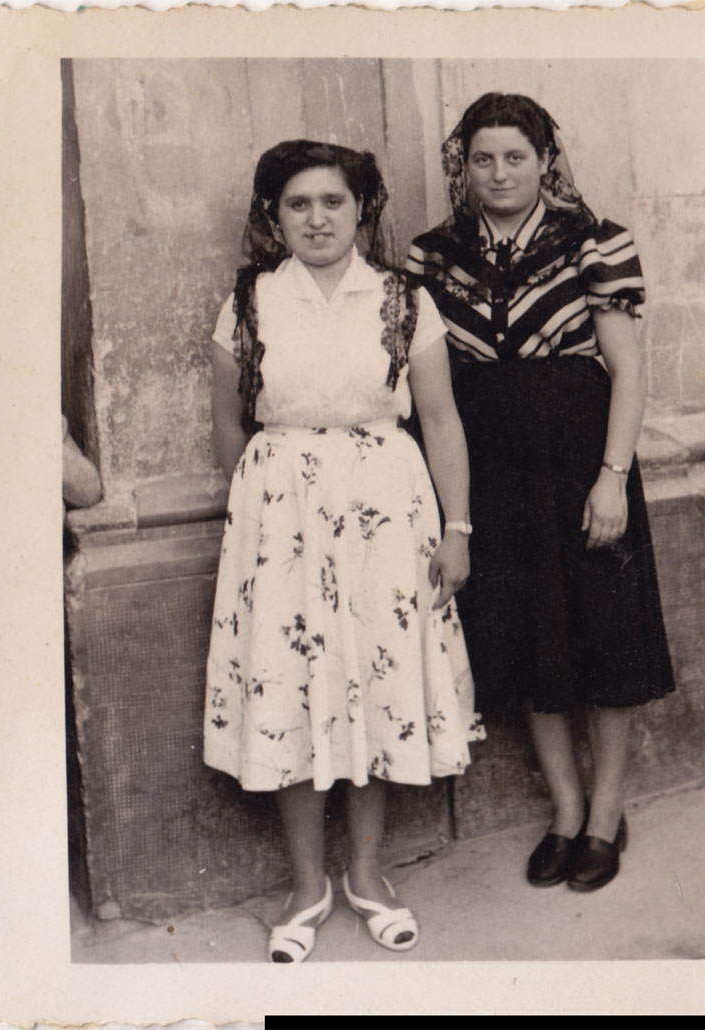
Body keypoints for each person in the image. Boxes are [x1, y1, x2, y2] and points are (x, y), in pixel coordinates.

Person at [204, 139, 483, 962]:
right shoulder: (249, 302)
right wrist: (257, 522)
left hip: (386, 516)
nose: (317, 218)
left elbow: (440, 420)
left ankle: (365, 875)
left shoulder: (402, 300)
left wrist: (457, 529)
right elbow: (228, 423)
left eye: (333, 201)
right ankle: (307, 886)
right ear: (273, 216)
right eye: (298, 204)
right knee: (290, 685)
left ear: (362, 209)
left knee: (374, 682)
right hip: (282, 519)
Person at [406, 93, 675, 893]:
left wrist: (612, 477)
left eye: (515, 157)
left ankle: (606, 815)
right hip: (490, 471)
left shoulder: (594, 241)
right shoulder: (432, 256)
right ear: (463, 166)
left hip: (580, 462)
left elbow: (626, 369)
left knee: (605, 636)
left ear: (545, 161)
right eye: (482, 159)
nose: (499, 174)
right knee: (525, 638)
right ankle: (564, 810)